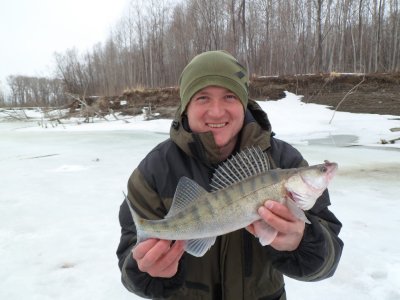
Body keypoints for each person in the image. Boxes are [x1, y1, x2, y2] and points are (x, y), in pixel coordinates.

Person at [116, 50, 343, 299]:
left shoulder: (284, 161)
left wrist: (301, 242)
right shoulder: (154, 171)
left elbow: (328, 261)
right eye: (202, 97)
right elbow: (130, 261)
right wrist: (145, 272)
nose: (216, 112)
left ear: (243, 103)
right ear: (186, 106)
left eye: (229, 96)